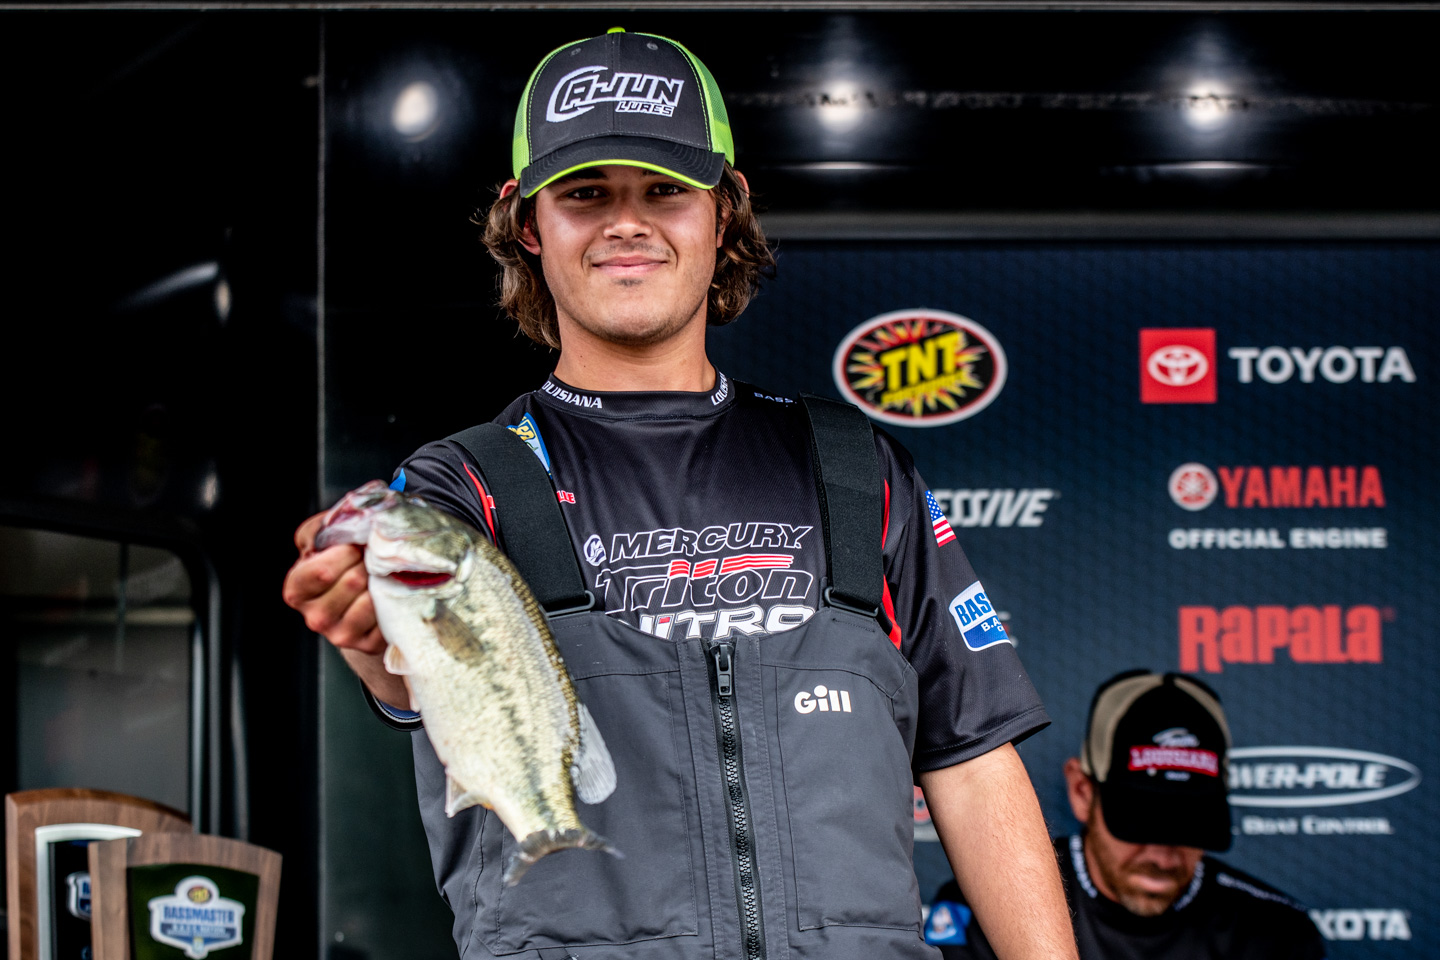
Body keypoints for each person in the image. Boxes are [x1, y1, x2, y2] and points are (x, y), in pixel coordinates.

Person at [284, 28, 1077, 960]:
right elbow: (421, 673)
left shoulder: (853, 466)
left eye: (664, 190)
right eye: (586, 193)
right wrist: (374, 630)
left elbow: (972, 759)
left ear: (724, 212)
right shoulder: (464, 486)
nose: (627, 223)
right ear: (529, 224)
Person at [926, 670, 1328, 960]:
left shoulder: (1274, 933)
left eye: (1190, 827)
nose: (1163, 857)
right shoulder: (987, 907)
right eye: (1142, 822)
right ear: (1082, 792)